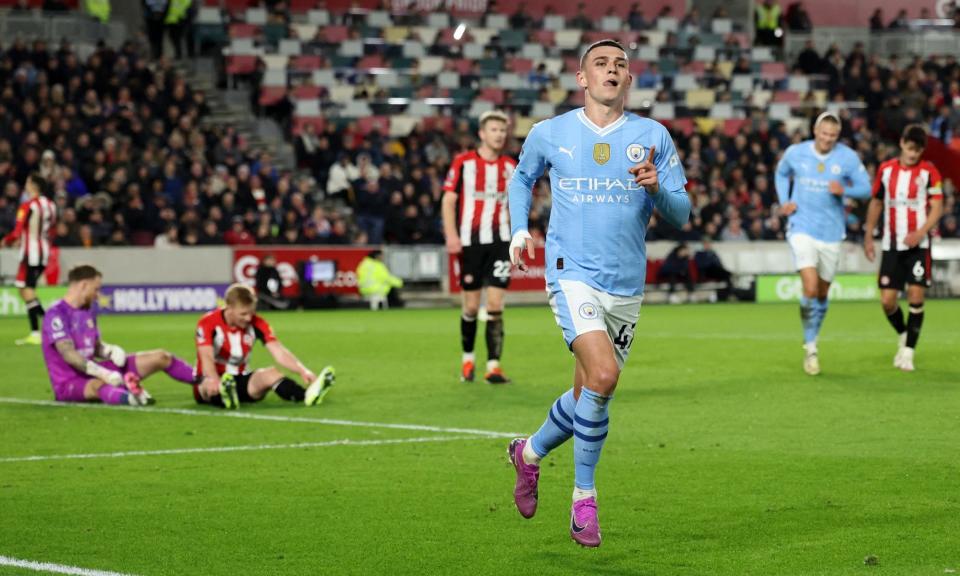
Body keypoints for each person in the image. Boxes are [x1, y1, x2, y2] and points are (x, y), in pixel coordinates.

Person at [506, 39, 690, 547]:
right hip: (570, 271)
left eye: (621, 65)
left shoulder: (653, 136)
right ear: (583, 78)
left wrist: (657, 189)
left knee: (589, 393)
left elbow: (683, 212)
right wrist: (519, 229)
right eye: (601, 64)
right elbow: (521, 179)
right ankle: (583, 500)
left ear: (629, 80)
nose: (612, 70)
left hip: (626, 283)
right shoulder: (552, 132)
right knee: (605, 376)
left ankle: (528, 454)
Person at [775, 111, 871, 375]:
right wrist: (785, 201)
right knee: (810, 285)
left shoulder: (847, 157)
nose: (827, 139)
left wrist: (845, 190)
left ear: (837, 136)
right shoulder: (796, 152)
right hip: (801, 227)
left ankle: (812, 339)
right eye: (824, 134)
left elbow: (867, 188)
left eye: (833, 135)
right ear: (815, 131)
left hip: (831, 233)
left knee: (822, 293)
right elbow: (781, 174)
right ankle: (810, 345)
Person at [41, 264, 199, 406]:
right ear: (83, 285)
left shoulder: (89, 310)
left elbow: (94, 347)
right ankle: (132, 397)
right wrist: (104, 374)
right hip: (69, 382)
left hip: (97, 371)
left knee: (161, 357)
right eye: (95, 289)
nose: (98, 294)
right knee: (98, 386)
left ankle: (205, 381)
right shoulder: (56, 313)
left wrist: (109, 350)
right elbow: (68, 354)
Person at [441, 110, 516, 384]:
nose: (499, 134)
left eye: (502, 130)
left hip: (501, 242)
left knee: (495, 304)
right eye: (494, 130)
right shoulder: (463, 163)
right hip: (470, 242)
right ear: (482, 134)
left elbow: (519, 203)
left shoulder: (510, 166)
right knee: (471, 307)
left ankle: (493, 366)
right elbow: (449, 201)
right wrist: (451, 235)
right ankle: (468, 360)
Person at [863, 125, 943, 372]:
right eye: (910, 148)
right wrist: (868, 235)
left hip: (919, 246)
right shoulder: (886, 170)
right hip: (892, 245)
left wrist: (921, 232)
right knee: (887, 301)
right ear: (901, 143)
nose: (912, 154)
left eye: (917, 150)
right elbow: (876, 202)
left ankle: (908, 351)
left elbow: (938, 206)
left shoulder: (929, 172)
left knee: (916, 296)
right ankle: (904, 333)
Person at [193, 283, 335, 409]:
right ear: (229, 308)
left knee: (271, 373)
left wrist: (303, 370)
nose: (248, 318)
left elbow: (278, 351)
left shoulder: (257, 323)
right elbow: (206, 358)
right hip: (211, 379)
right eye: (243, 314)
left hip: (240, 378)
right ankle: (224, 395)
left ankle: (307, 396)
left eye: (251, 312)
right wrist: (214, 380)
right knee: (207, 384)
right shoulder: (208, 323)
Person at [2, 173, 57, 346]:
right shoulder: (51, 205)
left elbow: (17, 232)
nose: (25, 185)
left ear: (33, 185)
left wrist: (5, 241)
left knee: (26, 290)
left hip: (29, 253)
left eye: (27, 182)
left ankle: (47, 328)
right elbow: (52, 228)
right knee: (26, 290)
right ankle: (42, 330)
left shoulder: (27, 205)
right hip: (44, 251)